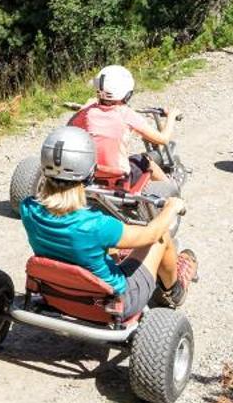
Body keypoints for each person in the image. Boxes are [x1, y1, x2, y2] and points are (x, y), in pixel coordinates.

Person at [20, 126, 196, 315]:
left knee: (107, 247)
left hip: (56, 292)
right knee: (161, 238)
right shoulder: (97, 225)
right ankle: (174, 291)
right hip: (111, 302)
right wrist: (171, 208)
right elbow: (150, 234)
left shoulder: (28, 208)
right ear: (89, 174)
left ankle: (126, 261)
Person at [68, 63, 179, 189]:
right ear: (127, 94)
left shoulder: (88, 112)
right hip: (120, 177)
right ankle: (171, 191)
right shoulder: (126, 114)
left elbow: (69, 127)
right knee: (146, 161)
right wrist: (172, 116)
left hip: (91, 174)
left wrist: (85, 107)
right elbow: (163, 139)